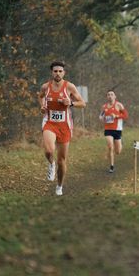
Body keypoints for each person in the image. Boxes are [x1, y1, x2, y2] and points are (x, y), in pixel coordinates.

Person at [38, 61, 86, 196]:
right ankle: (51, 164)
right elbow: (40, 97)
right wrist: (42, 107)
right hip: (50, 123)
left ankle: (59, 186)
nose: (57, 73)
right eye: (55, 71)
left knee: (62, 161)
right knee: (48, 150)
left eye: (60, 71)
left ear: (63, 73)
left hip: (64, 126)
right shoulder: (45, 87)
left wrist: (70, 103)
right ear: (51, 72)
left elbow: (82, 103)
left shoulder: (69, 87)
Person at [99, 90, 128, 173]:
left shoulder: (119, 105)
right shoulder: (104, 106)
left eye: (112, 94)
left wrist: (116, 116)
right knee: (110, 146)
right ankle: (112, 166)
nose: (110, 96)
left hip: (117, 129)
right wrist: (101, 118)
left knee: (118, 151)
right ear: (106, 97)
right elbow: (101, 116)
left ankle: (120, 142)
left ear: (115, 96)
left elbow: (126, 115)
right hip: (108, 129)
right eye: (108, 95)